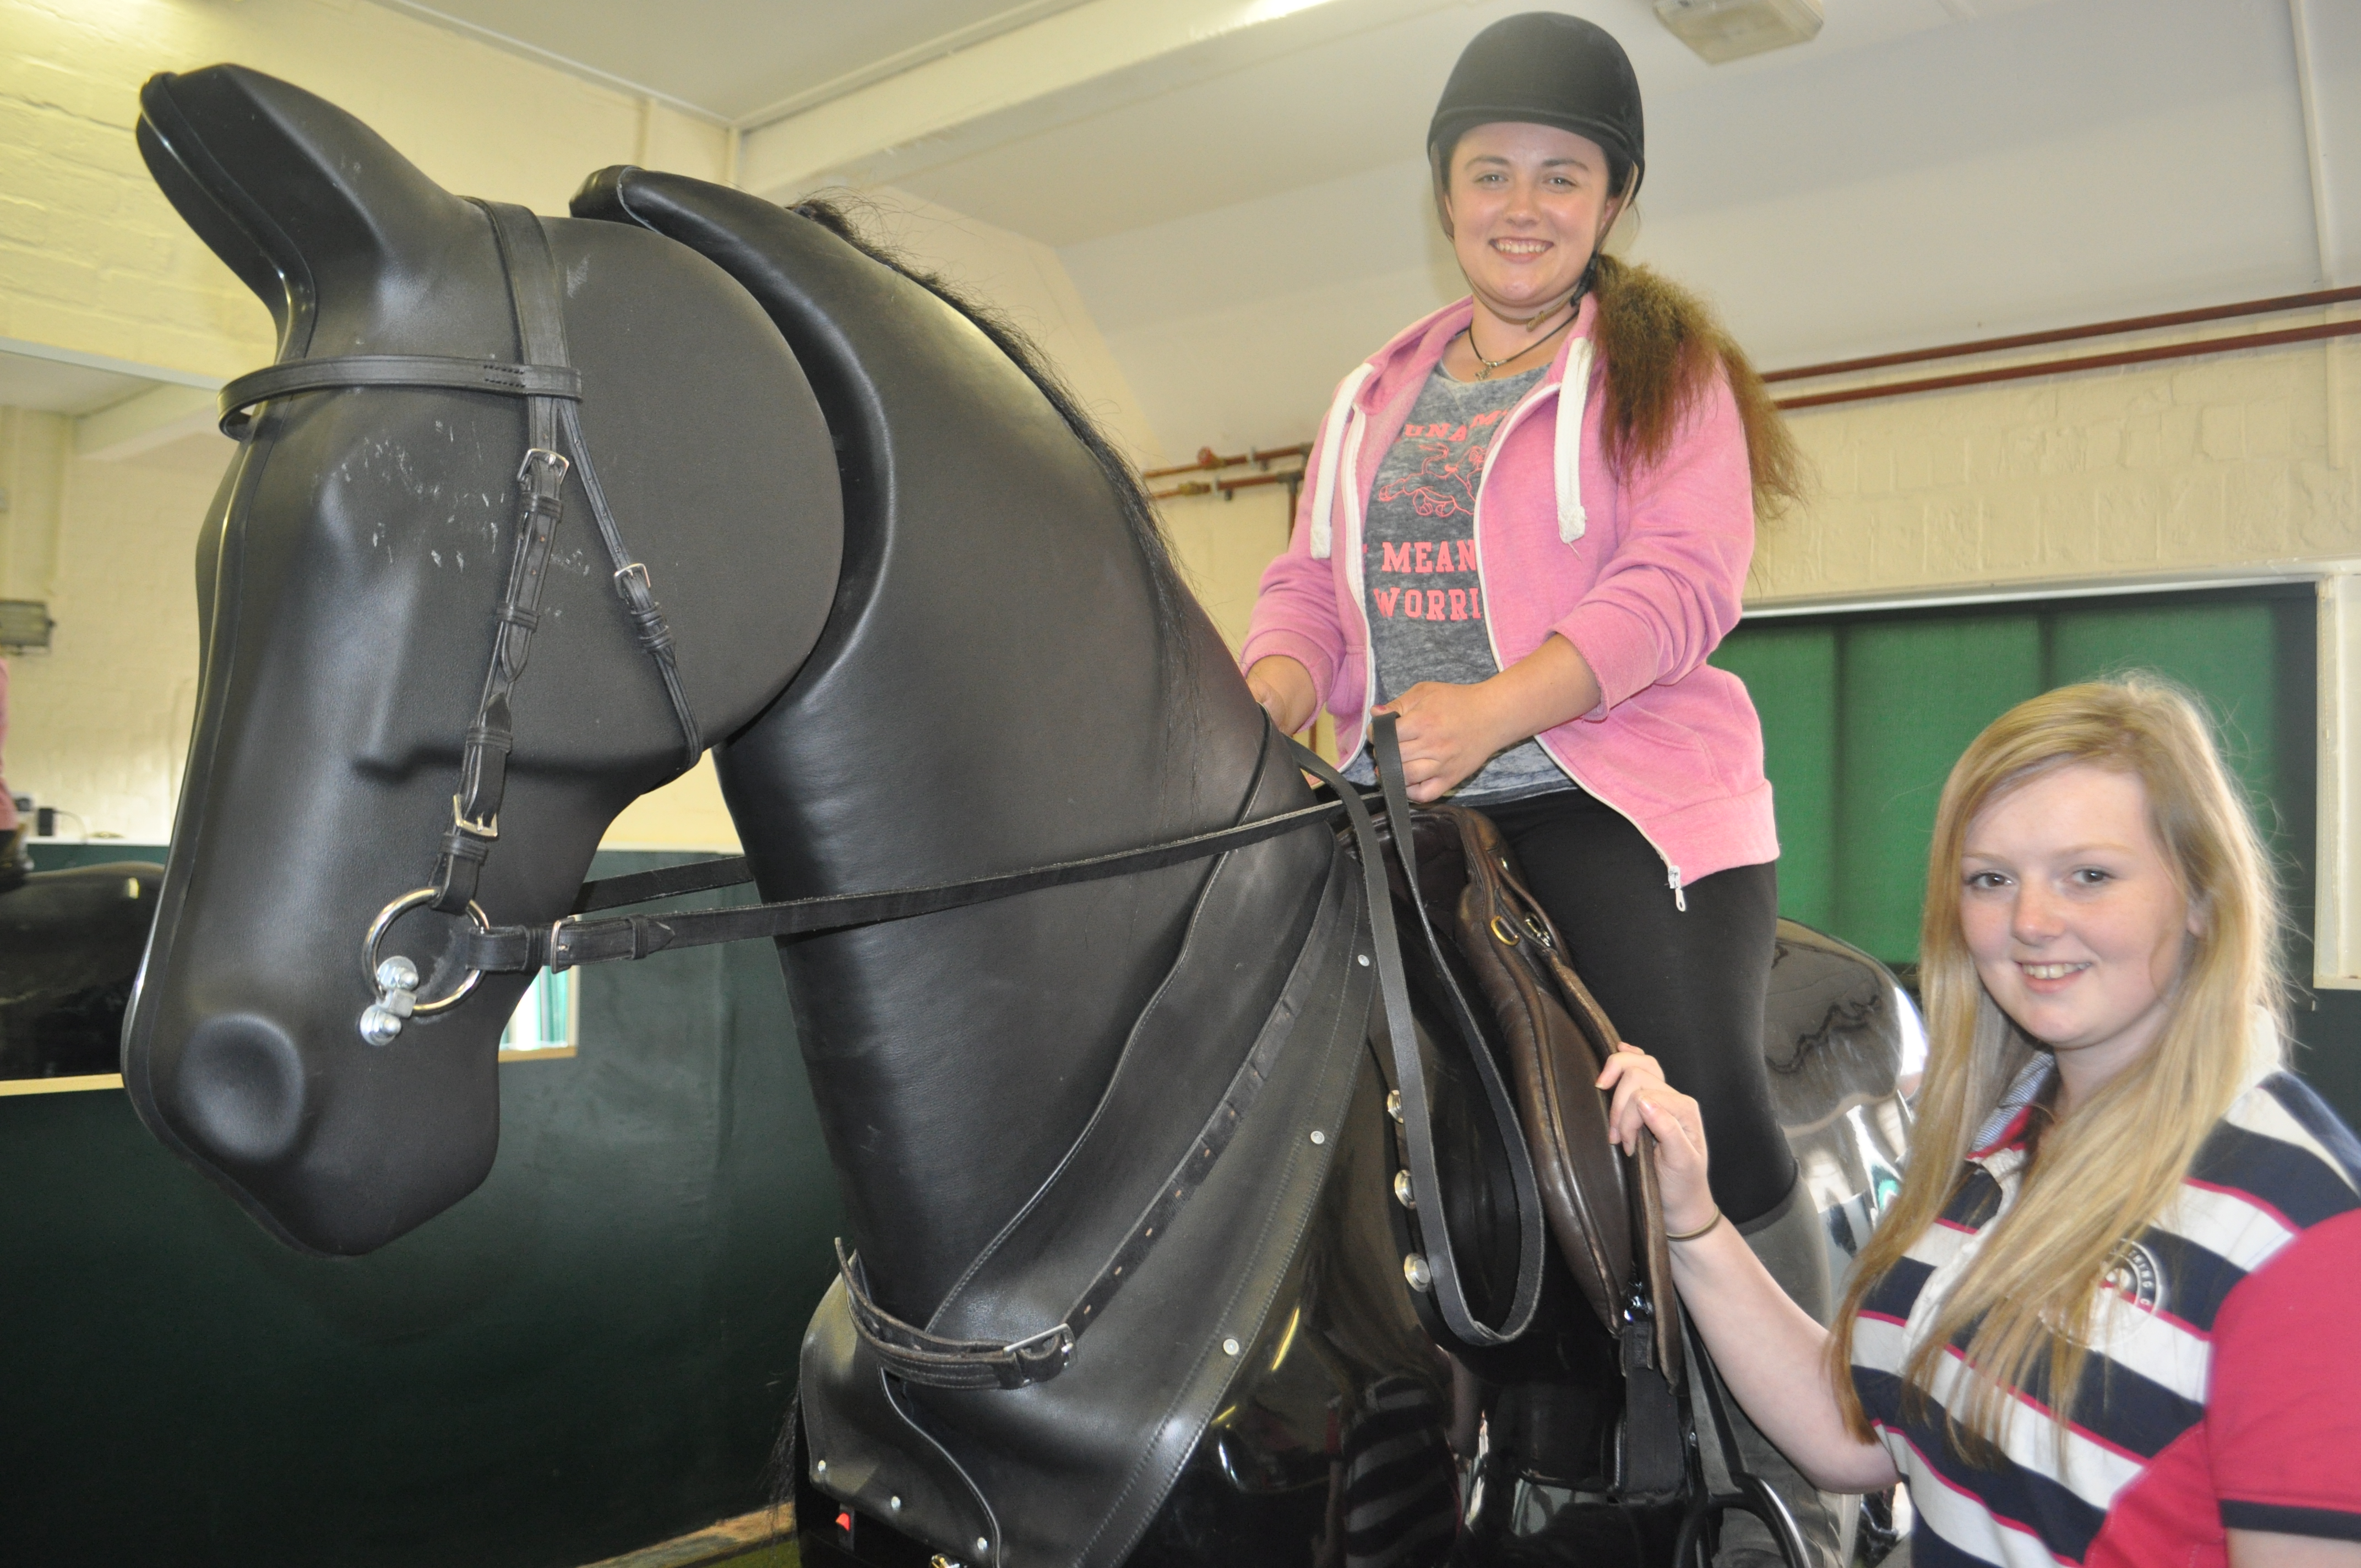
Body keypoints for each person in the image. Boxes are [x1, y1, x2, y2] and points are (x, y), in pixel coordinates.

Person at [1239, 14, 1826, 1554]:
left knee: (1695, 1094)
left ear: (1612, 200)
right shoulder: (1373, 393)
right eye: (1489, 172)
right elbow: (1311, 589)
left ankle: (1812, 1448)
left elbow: (1680, 585)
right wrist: (1275, 688)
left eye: (1561, 176)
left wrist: (1495, 710)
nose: (1521, 203)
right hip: (1399, 805)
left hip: (1612, 799)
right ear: (1443, 192)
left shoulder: (1662, 371)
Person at [1600, 677, 2361, 1567]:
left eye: (2090, 876)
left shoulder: (2299, 1230)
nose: (2031, 923)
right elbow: (1857, 1435)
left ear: (2201, 897)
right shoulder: (2004, 1145)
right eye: (1991, 880)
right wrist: (1692, 1220)